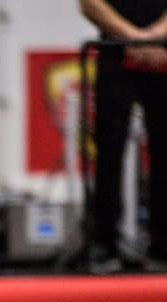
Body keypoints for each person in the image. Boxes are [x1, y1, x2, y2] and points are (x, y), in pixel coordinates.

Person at [79, 0, 167, 273]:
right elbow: (89, 3)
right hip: (115, 50)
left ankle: (163, 245)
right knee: (108, 149)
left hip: (162, 52)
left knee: (164, 153)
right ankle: (104, 242)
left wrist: (154, 37)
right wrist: (132, 37)